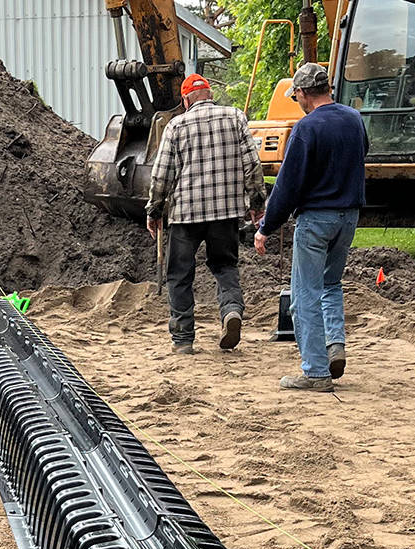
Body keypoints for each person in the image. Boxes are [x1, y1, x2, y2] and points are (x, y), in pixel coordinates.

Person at [255, 63, 368, 391]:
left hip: (317, 220)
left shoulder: (307, 128)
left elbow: (288, 185)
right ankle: (335, 345)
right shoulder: (354, 120)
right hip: (349, 216)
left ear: (303, 93)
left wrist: (266, 227)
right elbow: (362, 154)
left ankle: (316, 372)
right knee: (331, 284)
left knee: (304, 294)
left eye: (297, 96)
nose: (298, 101)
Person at [146, 73, 266, 354]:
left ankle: (184, 340)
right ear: (210, 94)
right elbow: (252, 164)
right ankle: (231, 311)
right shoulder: (236, 118)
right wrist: (257, 203)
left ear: (185, 99)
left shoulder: (176, 126)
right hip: (225, 213)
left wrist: (154, 210)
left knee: (179, 274)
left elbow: (161, 175)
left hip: (185, 216)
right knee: (225, 266)